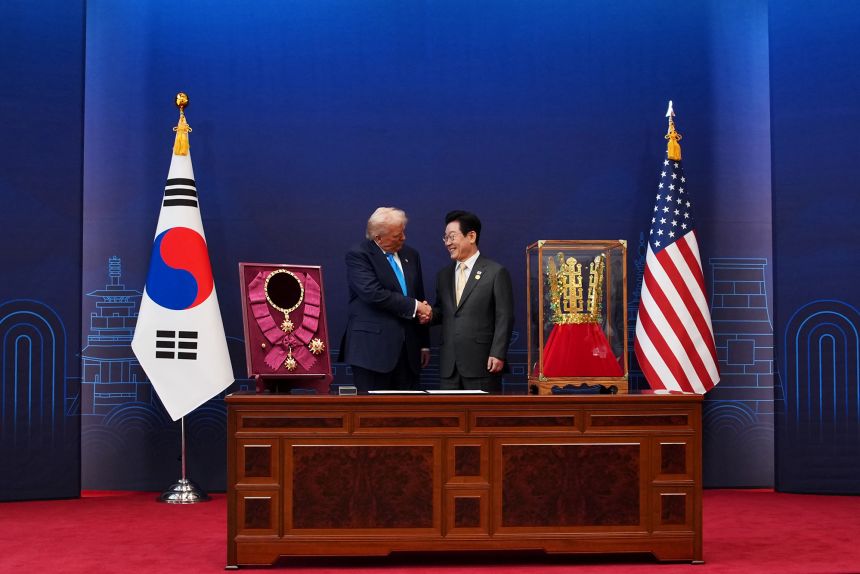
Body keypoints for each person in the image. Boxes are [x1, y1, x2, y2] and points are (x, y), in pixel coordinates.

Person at [340, 207, 431, 392]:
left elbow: (419, 296)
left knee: (409, 409)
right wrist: (415, 306)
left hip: (408, 353)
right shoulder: (359, 255)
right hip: (372, 352)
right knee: (373, 409)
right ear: (378, 238)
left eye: (403, 232)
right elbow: (373, 293)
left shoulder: (411, 255)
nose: (404, 238)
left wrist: (424, 344)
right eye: (397, 235)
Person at [431, 210, 514, 392]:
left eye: (452, 237)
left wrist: (498, 353)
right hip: (449, 367)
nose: (447, 243)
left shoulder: (495, 272)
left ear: (471, 236)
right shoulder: (443, 276)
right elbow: (443, 312)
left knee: (482, 411)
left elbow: (504, 316)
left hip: (483, 364)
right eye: (445, 238)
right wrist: (427, 313)